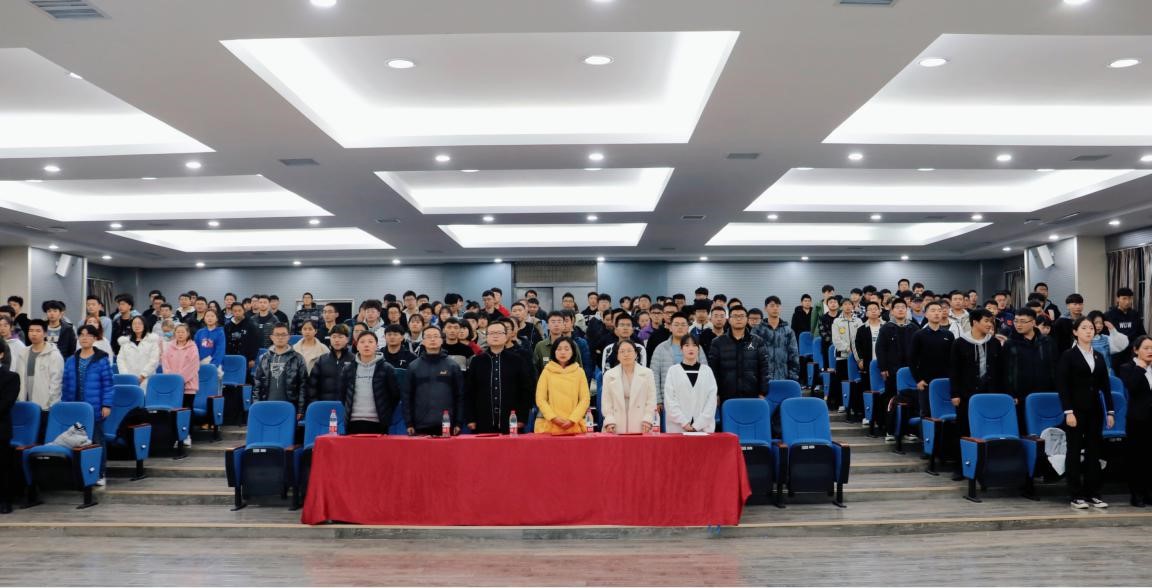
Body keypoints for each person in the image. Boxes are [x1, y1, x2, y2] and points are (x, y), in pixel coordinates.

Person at [1059, 316, 1116, 509]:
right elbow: (1063, 386)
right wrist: (1068, 411)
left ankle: (1093, 493)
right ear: (1075, 332)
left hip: (1095, 409)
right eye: (1084, 328)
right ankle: (1076, 494)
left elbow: (1106, 386)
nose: (1089, 331)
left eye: (1091, 328)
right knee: (1074, 451)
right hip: (1075, 409)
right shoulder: (1068, 355)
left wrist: (1110, 411)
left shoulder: (1098, 355)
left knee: (1094, 451)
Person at [60, 325, 114, 485]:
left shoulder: (101, 359)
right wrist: (66, 406)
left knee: (97, 440)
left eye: (88, 335)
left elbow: (108, 385)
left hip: (95, 408)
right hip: (75, 407)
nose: (84, 338)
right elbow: (66, 385)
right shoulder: (71, 360)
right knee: (76, 440)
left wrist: (106, 405)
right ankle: (79, 474)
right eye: (81, 335)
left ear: (95, 338)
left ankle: (100, 473)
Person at [464, 321, 534, 434]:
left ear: (506, 336)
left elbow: (525, 391)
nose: (495, 336)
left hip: (512, 419)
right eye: (491, 333)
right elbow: (470, 391)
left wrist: (522, 418)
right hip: (482, 419)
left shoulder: (517, 360)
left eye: (499, 333)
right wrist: (470, 418)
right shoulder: (477, 361)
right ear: (486, 337)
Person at [949, 308, 1003, 449]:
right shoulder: (959, 343)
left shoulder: (994, 343)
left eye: (991, 321)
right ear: (975, 322)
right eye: (986, 321)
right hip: (966, 393)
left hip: (990, 392)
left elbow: (1000, 369)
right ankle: (965, 457)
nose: (990, 324)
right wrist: (954, 393)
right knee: (965, 427)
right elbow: (954, 370)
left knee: (988, 425)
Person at [405, 326, 465, 436]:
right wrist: (409, 423)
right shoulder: (413, 367)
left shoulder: (452, 366)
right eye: (428, 337)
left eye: (436, 336)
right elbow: (407, 397)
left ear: (442, 340)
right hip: (420, 425)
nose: (432, 339)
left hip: (447, 424)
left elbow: (460, 396)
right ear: (423, 341)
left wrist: (458, 422)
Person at [875, 299, 920, 440]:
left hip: (910, 372)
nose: (900, 309)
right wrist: (883, 368)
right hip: (891, 370)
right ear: (892, 311)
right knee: (892, 399)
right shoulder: (886, 328)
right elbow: (880, 349)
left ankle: (907, 430)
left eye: (903, 307)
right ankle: (890, 430)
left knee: (911, 399)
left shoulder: (914, 327)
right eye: (897, 307)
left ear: (907, 310)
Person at [708, 306, 770, 408]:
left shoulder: (757, 341)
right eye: (735, 316)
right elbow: (713, 370)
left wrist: (763, 392)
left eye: (741, 316)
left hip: (752, 394)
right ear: (729, 320)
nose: (738, 319)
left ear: (747, 319)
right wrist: (716, 393)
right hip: (726, 395)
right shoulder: (717, 342)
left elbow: (764, 368)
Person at [1117, 336, 1152, 507]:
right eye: (1146, 348)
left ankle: (1149, 493)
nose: (1150, 351)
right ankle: (1136, 494)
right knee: (1137, 458)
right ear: (1136, 350)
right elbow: (1131, 387)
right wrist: (1140, 368)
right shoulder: (1127, 367)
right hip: (1138, 418)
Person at [344, 331, 400, 434]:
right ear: (357, 346)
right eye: (362, 342)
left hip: (379, 422)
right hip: (353, 422)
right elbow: (342, 395)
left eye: (370, 342)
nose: (366, 345)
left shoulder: (387, 369)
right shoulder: (348, 369)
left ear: (377, 346)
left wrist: (385, 413)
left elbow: (395, 396)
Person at [534, 337, 591, 435]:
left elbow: (585, 399)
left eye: (567, 349)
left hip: (574, 425)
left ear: (573, 352)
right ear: (554, 352)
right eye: (559, 349)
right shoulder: (547, 371)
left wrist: (573, 419)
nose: (563, 352)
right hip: (549, 425)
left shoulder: (579, 372)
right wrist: (553, 418)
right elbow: (540, 398)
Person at [908, 301, 954, 420]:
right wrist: (918, 380)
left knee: (946, 411)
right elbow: (912, 360)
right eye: (933, 311)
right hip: (926, 381)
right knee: (926, 412)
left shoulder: (948, 335)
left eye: (939, 310)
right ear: (926, 314)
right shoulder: (919, 335)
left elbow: (952, 359)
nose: (937, 313)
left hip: (945, 379)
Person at [662, 335, 717, 434]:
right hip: (678, 428)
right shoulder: (673, 371)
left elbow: (711, 401)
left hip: (703, 428)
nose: (691, 348)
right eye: (687, 345)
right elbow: (669, 401)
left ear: (698, 349)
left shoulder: (707, 371)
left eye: (694, 345)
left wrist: (698, 424)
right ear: (681, 349)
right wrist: (684, 423)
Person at [600, 340, 657, 434]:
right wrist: (609, 420)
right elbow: (606, 401)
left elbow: (651, 399)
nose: (626, 354)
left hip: (642, 424)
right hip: (615, 424)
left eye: (629, 351)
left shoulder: (647, 373)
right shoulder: (609, 375)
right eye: (622, 351)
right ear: (618, 356)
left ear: (636, 354)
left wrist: (648, 418)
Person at [253, 324, 308, 419]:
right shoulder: (264, 358)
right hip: (267, 405)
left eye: (283, 334)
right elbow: (257, 384)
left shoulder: (298, 358)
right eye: (277, 334)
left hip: (290, 406)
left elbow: (303, 385)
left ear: (289, 337)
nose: (280, 337)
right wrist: (256, 404)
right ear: (271, 337)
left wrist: (300, 409)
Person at [13, 319, 63, 411]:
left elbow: (56, 382)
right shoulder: (23, 353)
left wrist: (52, 404)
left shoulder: (53, 354)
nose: (34, 334)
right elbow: (19, 377)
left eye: (38, 331)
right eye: (31, 331)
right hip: (24, 402)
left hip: (45, 405)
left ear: (45, 334)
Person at [305, 324, 354, 407]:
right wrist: (316, 404)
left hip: (347, 407)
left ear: (347, 339)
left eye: (340, 337)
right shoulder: (321, 360)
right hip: (324, 405)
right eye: (334, 337)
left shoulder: (354, 360)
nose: (337, 340)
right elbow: (312, 387)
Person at [162, 324, 200, 423]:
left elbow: (193, 366)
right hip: (172, 386)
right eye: (178, 332)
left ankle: (188, 431)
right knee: (173, 411)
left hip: (188, 386)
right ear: (174, 333)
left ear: (188, 334)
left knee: (187, 410)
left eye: (183, 332)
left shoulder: (193, 347)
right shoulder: (169, 346)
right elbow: (165, 364)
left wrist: (179, 380)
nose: (180, 334)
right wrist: (172, 379)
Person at [1105, 287, 1146, 366]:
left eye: (1129, 299)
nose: (1127, 302)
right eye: (1124, 298)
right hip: (1117, 353)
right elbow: (1106, 335)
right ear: (1118, 299)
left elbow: (1141, 333)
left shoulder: (1135, 314)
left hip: (1133, 352)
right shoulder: (1109, 315)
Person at [0, 339, 18, 513]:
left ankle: (5, 501)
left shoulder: (11, 377)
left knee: (3, 466)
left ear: (1, 354)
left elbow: (6, 403)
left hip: (1, 429)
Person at [224, 302, 259, 373]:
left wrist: (252, 359)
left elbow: (255, 343)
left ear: (244, 311)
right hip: (231, 357)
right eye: (235, 311)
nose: (237, 313)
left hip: (246, 359)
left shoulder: (251, 325)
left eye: (239, 310)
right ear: (231, 312)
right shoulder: (227, 326)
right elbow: (225, 342)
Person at [193, 308, 225, 374]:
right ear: (204, 318)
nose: (210, 318)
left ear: (216, 319)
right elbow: (195, 348)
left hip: (214, 363)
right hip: (199, 362)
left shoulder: (220, 333)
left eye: (212, 316)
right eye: (207, 316)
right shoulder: (199, 332)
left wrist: (213, 365)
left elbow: (220, 350)